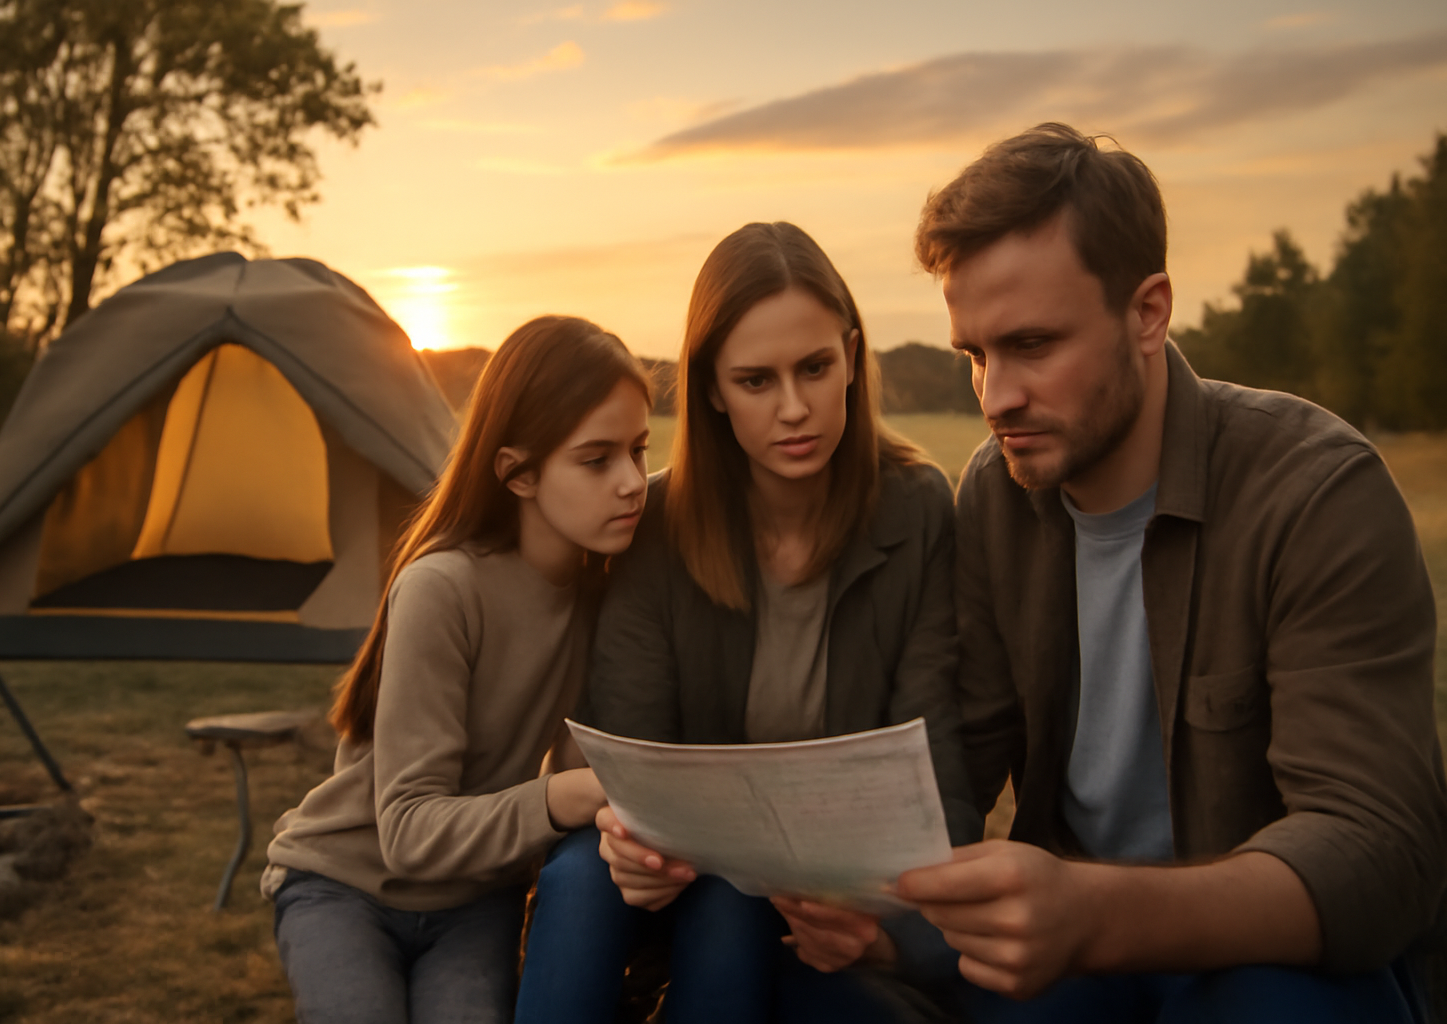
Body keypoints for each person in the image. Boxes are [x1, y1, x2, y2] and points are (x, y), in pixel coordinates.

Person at [803, 122, 1447, 1021]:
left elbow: (1381, 853)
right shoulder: (995, 493)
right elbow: (964, 756)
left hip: (1270, 963)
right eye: (976, 356)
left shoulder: (1316, 492)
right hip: (1078, 970)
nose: (996, 397)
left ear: (1148, 311)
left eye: (1033, 345)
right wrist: (866, 902)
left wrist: (1095, 914)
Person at [514, 222, 981, 1024]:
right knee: (582, 877)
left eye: (815, 368)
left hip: (843, 877)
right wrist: (630, 836)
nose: (794, 408)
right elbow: (627, 741)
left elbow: (935, 768)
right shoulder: (654, 520)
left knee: (747, 919)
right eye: (756, 381)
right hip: (683, 858)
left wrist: (874, 904)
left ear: (851, 358)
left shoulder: (917, 507)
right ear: (711, 390)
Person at [262, 316, 652, 1024]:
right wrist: (560, 797)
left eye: (639, 450)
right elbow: (408, 830)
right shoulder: (444, 588)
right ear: (518, 472)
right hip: (344, 883)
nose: (632, 483)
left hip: (476, 900)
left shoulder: (607, 592)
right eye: (597, 459)